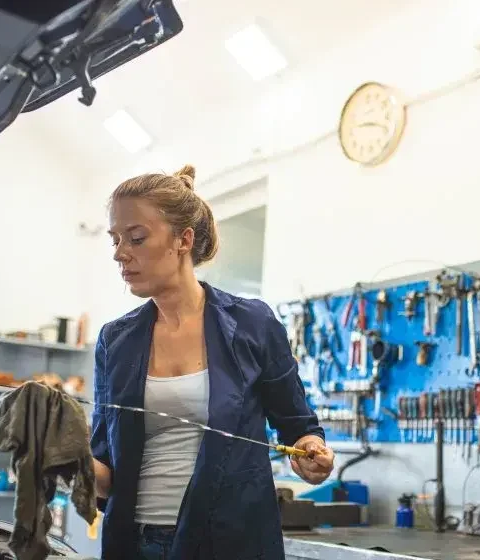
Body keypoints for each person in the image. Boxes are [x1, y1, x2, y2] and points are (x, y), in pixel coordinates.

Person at [90, 164, 334, 560]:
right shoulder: (114, 340)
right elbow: (104, 471)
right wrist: (58, 458)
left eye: (136, 237)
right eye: (115, 239)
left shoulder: (252, 322)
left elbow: (298, 427)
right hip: (136, 544)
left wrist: (312, 453)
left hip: (230, 543)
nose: (120, 253)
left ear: (183, 239)